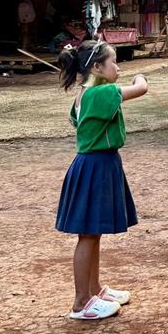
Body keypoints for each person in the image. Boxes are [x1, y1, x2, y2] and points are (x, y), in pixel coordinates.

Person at [56, 39, 148, 319]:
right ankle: (81, 301)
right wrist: (140, 76)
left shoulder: (85, 94)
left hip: (95, 165)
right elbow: (141, 88)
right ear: (97, 67)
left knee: (92, 232)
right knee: (88, 234)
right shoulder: (102, 93)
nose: (117, 68)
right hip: (95, 166)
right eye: (113, 62)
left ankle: (93, 290)